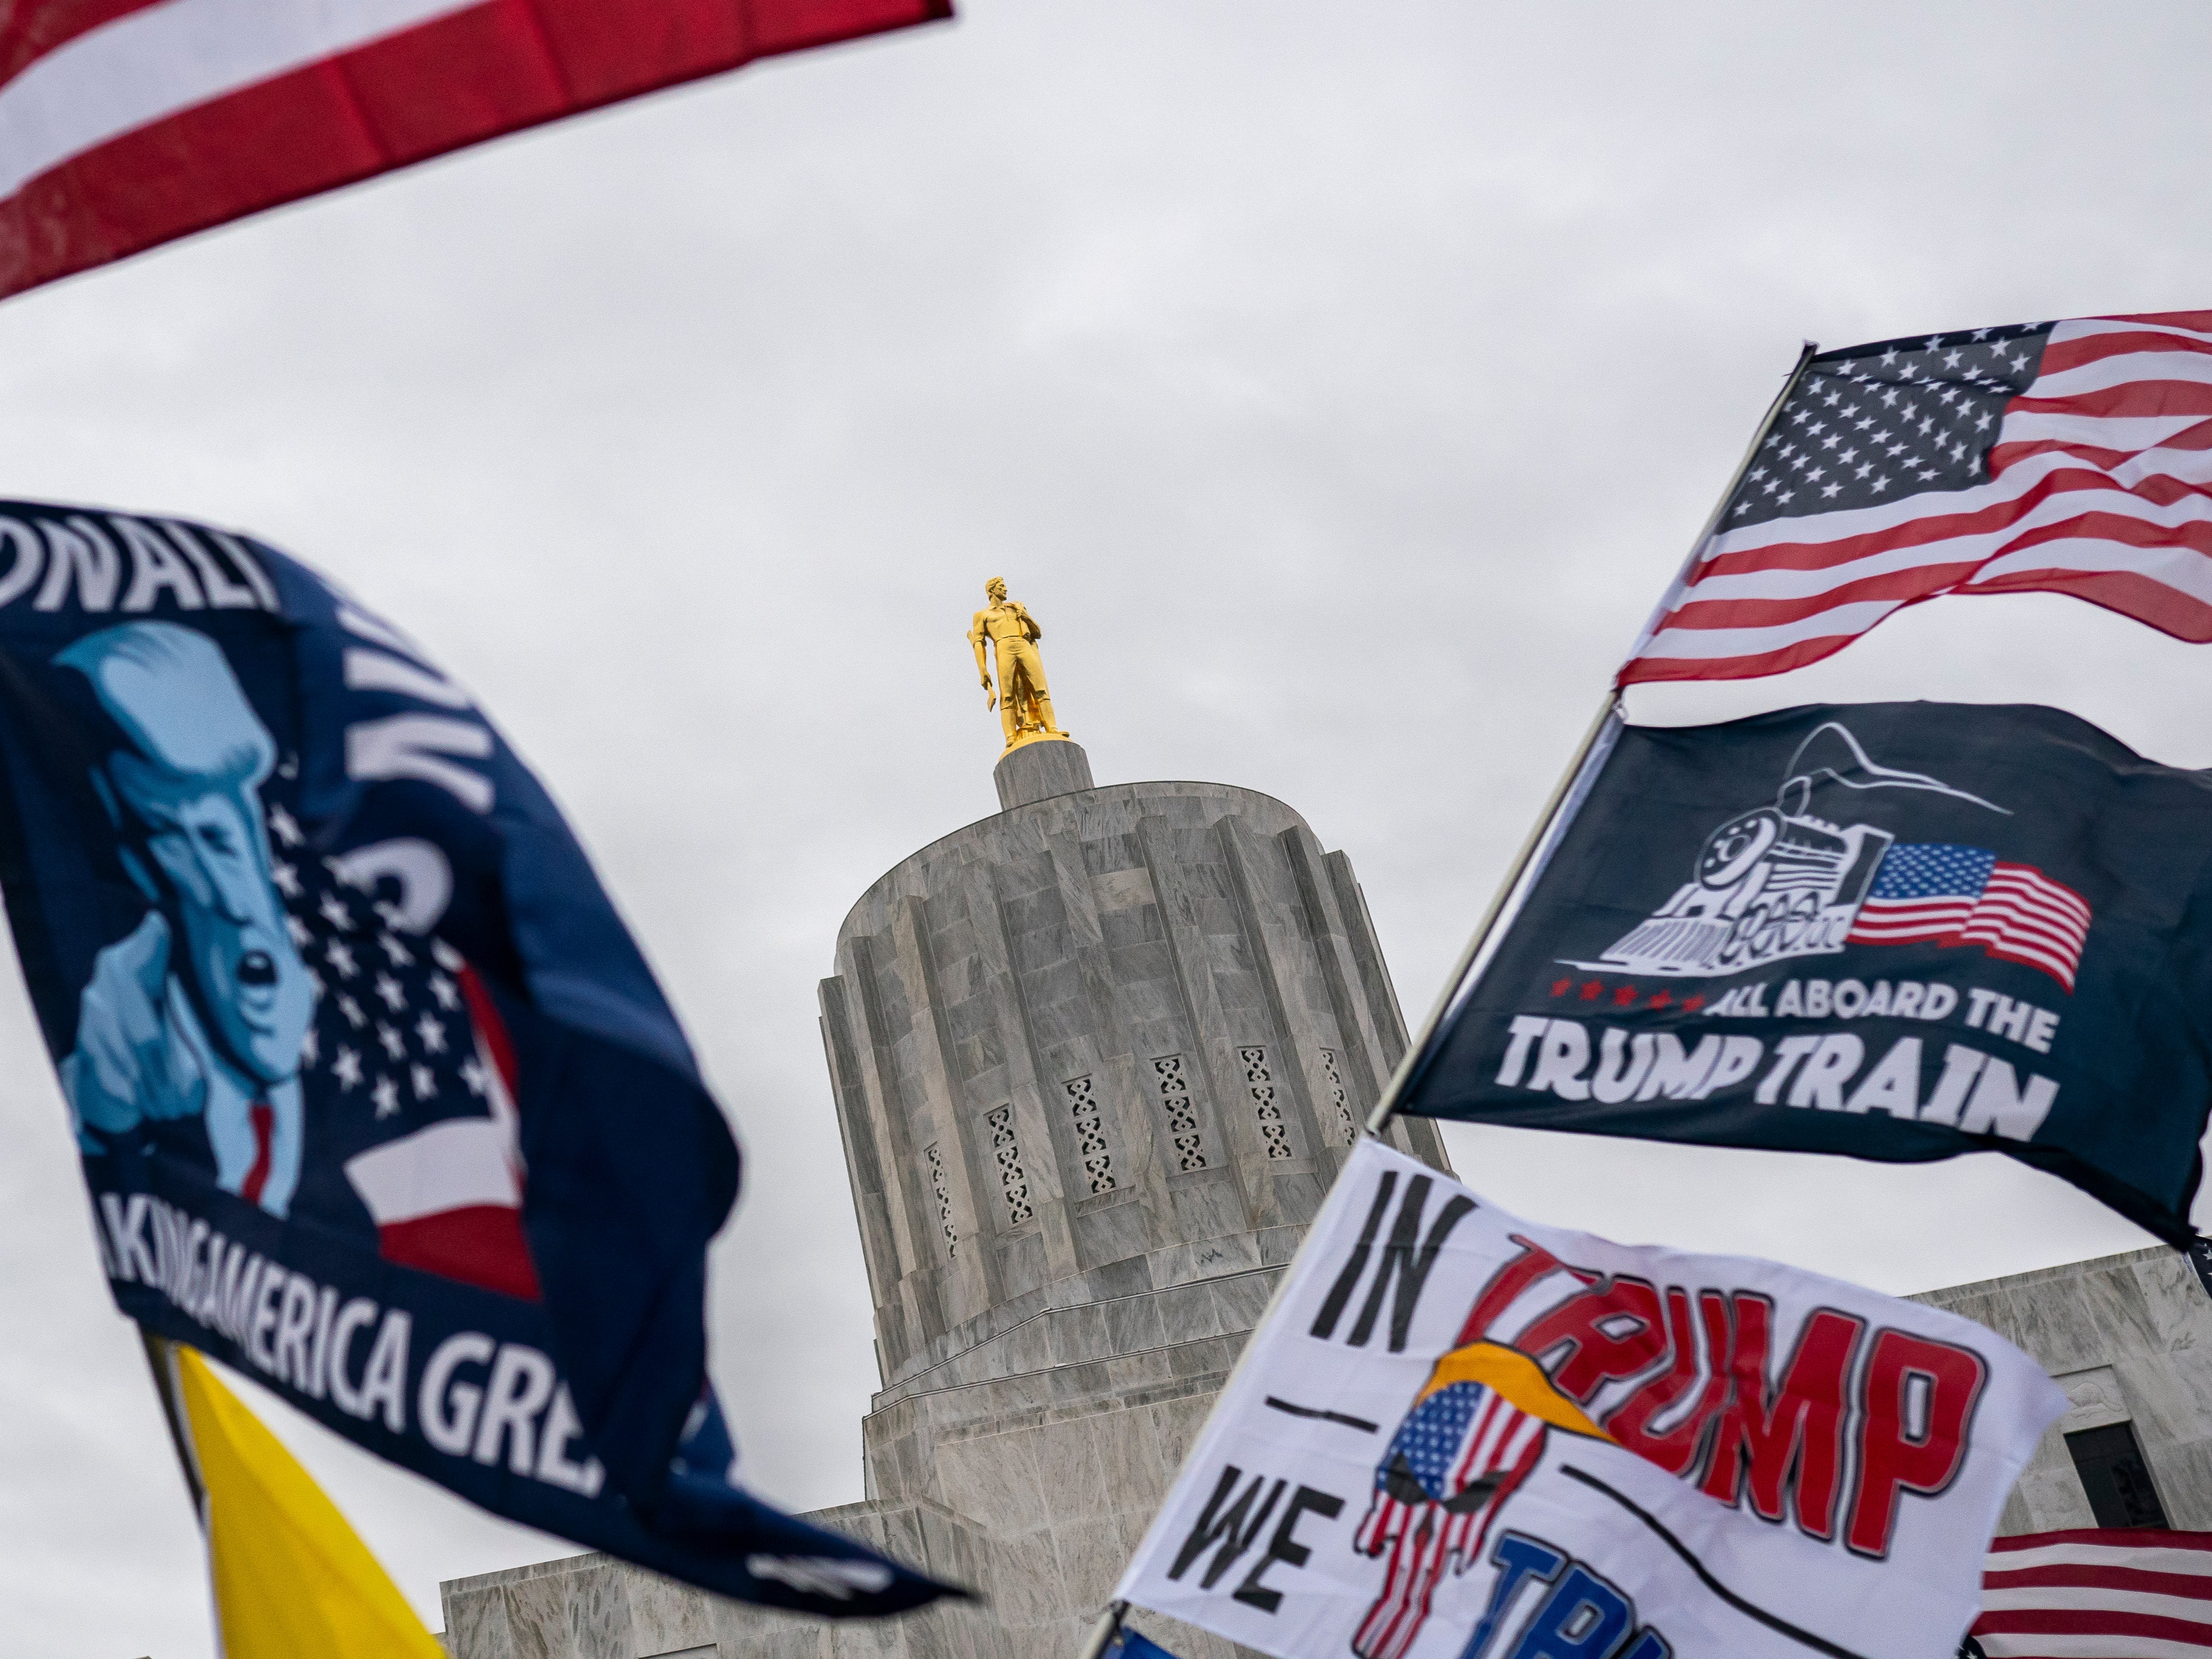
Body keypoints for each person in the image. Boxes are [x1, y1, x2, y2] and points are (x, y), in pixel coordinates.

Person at [56, 622, 315, 1216]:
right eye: (168, 837)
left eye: (221, 837)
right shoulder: (125, 1020)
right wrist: (113, 1121)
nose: (228, 897)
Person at [968, 576, 1067, 748]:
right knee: (1007, 694)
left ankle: (1052, 727)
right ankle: (1010, 736)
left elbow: (1037, 633)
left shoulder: (1016, 608)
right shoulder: (982, 615)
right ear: (992, 591)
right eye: (1002, 587)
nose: (1006, 589)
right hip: (1003, 646)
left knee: (1040, 688)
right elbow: (979, 643)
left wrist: (1026, 617)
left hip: (1023, 644)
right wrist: (983, 670)